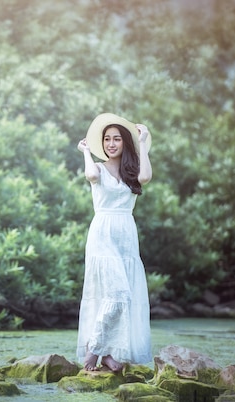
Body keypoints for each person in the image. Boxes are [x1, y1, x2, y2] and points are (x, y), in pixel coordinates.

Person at [75, 113, 153, 372]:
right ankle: (93, 349)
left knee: (123, 295)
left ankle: (109, 353)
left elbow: (145, 178)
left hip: (126, 235)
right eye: (107, 139)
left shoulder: (132, 171)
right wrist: (85, 151)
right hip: (102, 234)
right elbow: (90, 176)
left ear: (124, 143)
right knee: (115, 294)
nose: (111, 143)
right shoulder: (97, 167)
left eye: (117, 139)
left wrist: (142, 142)